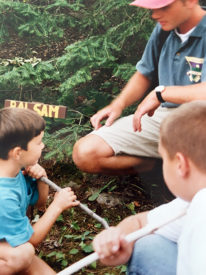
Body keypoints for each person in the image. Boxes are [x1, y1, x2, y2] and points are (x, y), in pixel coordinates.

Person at [72, 0, 206, 175]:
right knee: (86, 153)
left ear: (189, 2)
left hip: (201, 118)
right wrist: (118, 104)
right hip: (167, 116)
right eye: (152, 8)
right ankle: (161, 165)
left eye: (163, 7)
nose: (155, 15)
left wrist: (161, 94)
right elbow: (144, 73)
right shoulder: (165, 29)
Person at [93, 100, 206, 275]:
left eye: (163, 158)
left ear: (180, 164)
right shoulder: (193, 202)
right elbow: (141, 222)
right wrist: (116, 237)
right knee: (148, 245)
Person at [0, 107, 79, 275]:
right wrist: (57, 206)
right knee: (23, 254)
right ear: (18, 153)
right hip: (15, 249)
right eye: (38, 142)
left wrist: (42, 180)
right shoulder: (3, 197)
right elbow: (32, 240)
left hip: (7, 243)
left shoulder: (14, 172)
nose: (43, 145)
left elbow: (40, 203)